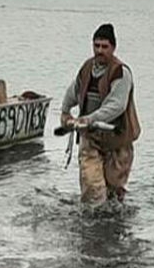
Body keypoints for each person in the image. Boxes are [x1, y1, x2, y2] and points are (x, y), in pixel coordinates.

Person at [59, 23, 141, 205]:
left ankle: (112, 226)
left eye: (104, 46)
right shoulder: (87, 68)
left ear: (113, 47)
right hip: (91, 138)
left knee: (113, 194)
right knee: (92, 189)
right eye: (96, 46)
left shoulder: (121, 72)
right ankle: (89, 225)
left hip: (117, 140)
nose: (100, 50)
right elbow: (74, 90)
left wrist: (89, 119)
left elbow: (116, 106)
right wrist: (65, 113)